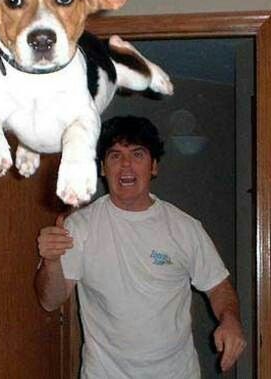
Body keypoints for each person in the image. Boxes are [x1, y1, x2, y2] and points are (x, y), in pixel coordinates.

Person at [35, 115, 246, 378]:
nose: (126, 165)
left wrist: (230, 319)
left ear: (154, 166)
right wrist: (51, 262)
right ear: (102, 168)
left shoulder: (185, 228)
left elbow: (218, 287)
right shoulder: (80, 227)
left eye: (137, 154)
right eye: (115, 156)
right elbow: (50, 300)